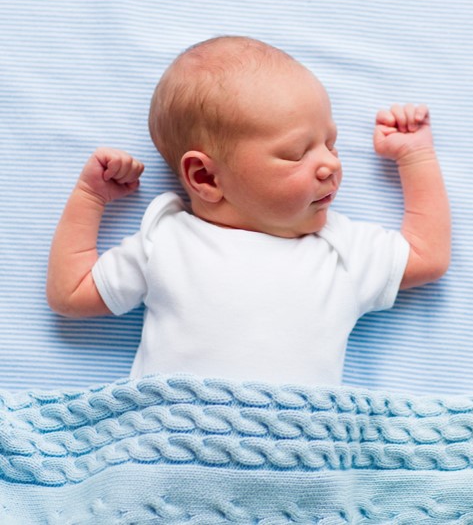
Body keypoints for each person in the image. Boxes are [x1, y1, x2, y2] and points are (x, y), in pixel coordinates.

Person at [47, 36, 451, 385]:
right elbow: (71, 294)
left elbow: (427, 255)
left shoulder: (341, 250)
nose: (330, 164)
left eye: (331, 143)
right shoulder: (168, 241)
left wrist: (415, 159)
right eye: (297, 153)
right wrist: (90, 198)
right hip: (171, 453)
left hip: (298, 463)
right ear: (205, 177)